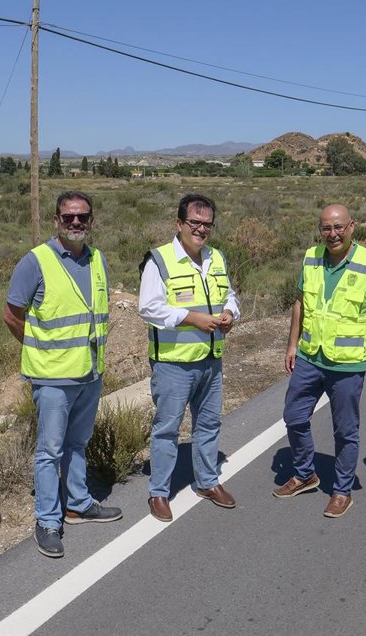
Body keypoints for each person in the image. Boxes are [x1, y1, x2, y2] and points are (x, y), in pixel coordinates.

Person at [3, 191, 122, 559]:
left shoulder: (97, 258)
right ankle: (48, 521)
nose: (75, 222)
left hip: (89, 372)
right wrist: (40, 348)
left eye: (82, 216)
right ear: (56, 220)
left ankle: (78, 504)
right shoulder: (35, 262)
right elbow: (12, 315)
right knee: (49, 452)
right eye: (68, 217)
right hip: (53, 377)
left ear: (91, 220)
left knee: (77, 443)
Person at [274, 204, 366, 518]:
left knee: (345, 430)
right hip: (310, 357)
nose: (333, 234)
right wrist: (292, 345)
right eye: (326, 228)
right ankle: (305, 474)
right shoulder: (311, 257)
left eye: (339, 227)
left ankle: (342, 491)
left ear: (351, 227)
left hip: (347, 364)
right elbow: (300, 304)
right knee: (294, 417)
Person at [139, 194, 240, 522]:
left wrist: (230, 313)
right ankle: (159, 492)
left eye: (207, 224)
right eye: (194, 222)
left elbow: (230, 295)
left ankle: (207, 482)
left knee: (208, 424)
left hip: (211, 359)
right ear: (179, 223)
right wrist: (191, 318)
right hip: (174, 364)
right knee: (167, 428)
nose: (201, 229)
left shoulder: (216, 257)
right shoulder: (160, 260)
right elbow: (149, 308)